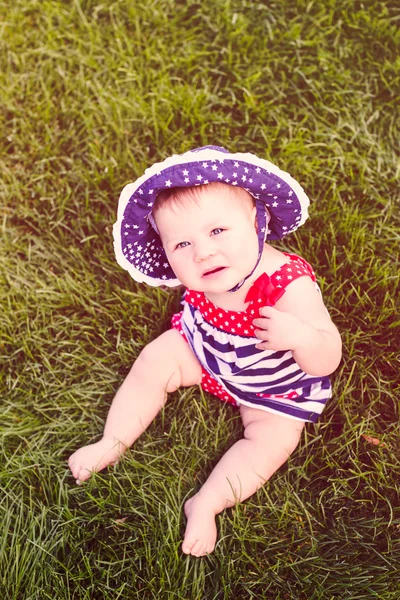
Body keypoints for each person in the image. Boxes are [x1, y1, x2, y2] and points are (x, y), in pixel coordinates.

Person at [68, 146, 342, 557]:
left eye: (217, 232)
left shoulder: (287, 284)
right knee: (153, 361)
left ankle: (207, 504)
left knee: (271, 441)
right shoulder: (205, 271)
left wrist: (301, 336)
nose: (202, 252)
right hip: (206, 350)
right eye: (181, 244)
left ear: (256, 222)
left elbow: (327, 358)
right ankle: (112, 440)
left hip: (271, 387)